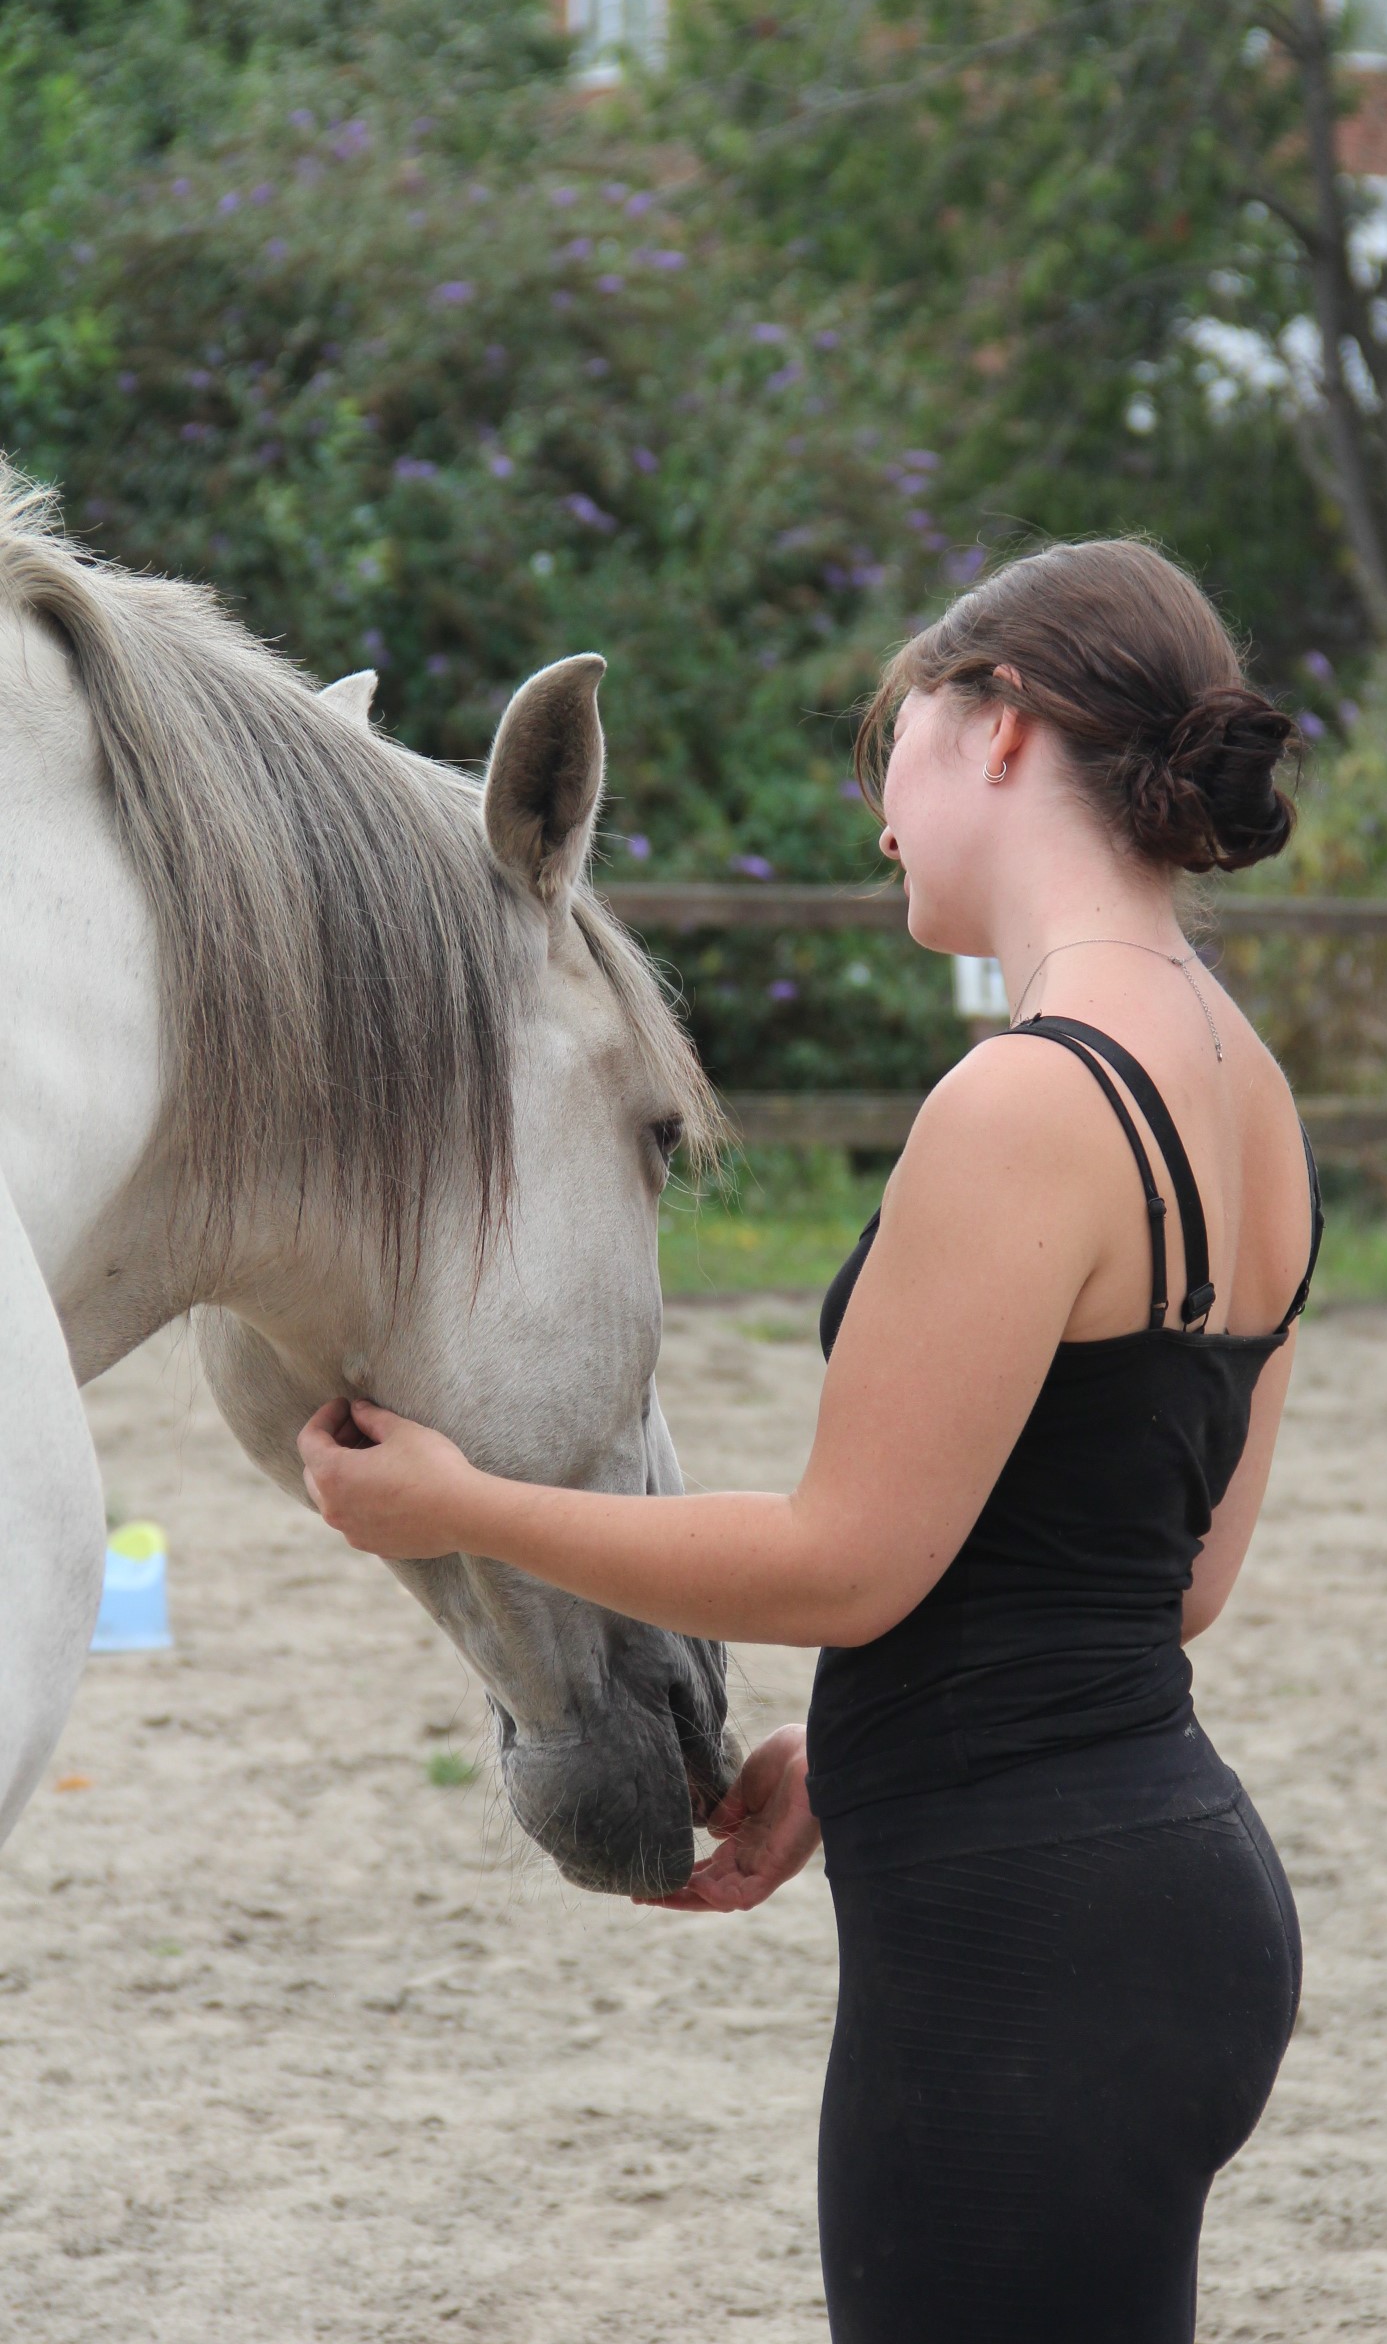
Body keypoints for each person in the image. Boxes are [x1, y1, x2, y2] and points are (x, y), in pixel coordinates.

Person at [299, 537, 1321, 2344]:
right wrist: (864, 1749)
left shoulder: (1026, 1095)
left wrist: (461, 1504)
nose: (874, 822)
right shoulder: (1244, 1086)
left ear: (998, 727)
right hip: (1171, 1904)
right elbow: (1164, 1585)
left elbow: (850, 1556)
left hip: (1021, 1962)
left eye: (888, 748)